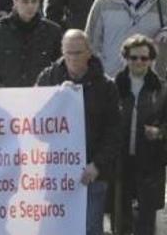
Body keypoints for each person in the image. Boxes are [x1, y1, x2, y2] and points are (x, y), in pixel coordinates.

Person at [36, 29, 120, 235]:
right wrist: (57, 97)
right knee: (54, 229)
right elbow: (35, 124)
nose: (72, 58)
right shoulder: (48, 78)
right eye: (68, 53)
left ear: (89, 52)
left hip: (91, 174)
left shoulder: (106, 86)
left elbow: (114, 132)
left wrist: (98, 164)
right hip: (56, 173)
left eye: (78, 52)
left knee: (90, 229)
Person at [114, 35, 167, 235]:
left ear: (151, 59)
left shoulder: (161, 87)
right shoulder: (113, 85)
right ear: (126, 58)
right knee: (120, 218)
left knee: (146, 219)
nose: (139, 62)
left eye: (144, 58)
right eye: (134, 58)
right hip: (120, 159)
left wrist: (160, 132)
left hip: (150, 159)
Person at [0, 0, 62, 87]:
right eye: (25, 1)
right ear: (15, 1)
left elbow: (61, 67)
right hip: (8, 96)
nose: (30, 6)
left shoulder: (52, 32)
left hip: (41, 96)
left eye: (34, 1)